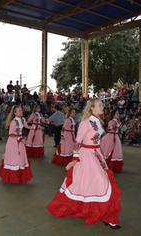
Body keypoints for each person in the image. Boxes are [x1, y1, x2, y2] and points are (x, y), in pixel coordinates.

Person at [46, 98, 122, 230]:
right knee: (98, 182)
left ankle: (108, 217)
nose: (102, 107)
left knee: (97, 184)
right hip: (86, 156)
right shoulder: (85, 123)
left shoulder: (99, 122)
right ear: (92, 108)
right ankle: (107, 216)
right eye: (100, 105)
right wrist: (75, 159)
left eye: (102, 105)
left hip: (97, 155)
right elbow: (77, 142)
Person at [0, 105, 35, 183]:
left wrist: (35, 127)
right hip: (13, 142)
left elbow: (27, 126)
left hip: (20, 141)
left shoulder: (22, 119)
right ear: (15, 113)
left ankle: (20, 176)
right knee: (14, 158)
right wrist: (20, 139)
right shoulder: (13, 122)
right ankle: (13, 177)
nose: (21, 111)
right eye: (19, 111)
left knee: (20, 158)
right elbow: (11, 133)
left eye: (21, 110)